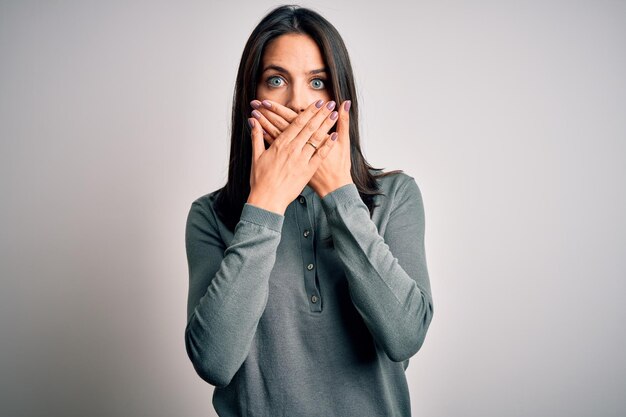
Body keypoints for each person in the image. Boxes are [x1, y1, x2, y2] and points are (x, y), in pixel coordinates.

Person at [184, 5, 434, 416]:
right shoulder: (210, 216)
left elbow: (405, 338)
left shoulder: (396, 196)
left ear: (340, 98)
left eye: (317, 82)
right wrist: (264, 203)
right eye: (276, 80)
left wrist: (339, 194)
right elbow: (213, 361)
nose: (299, 103)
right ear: (251, 98)